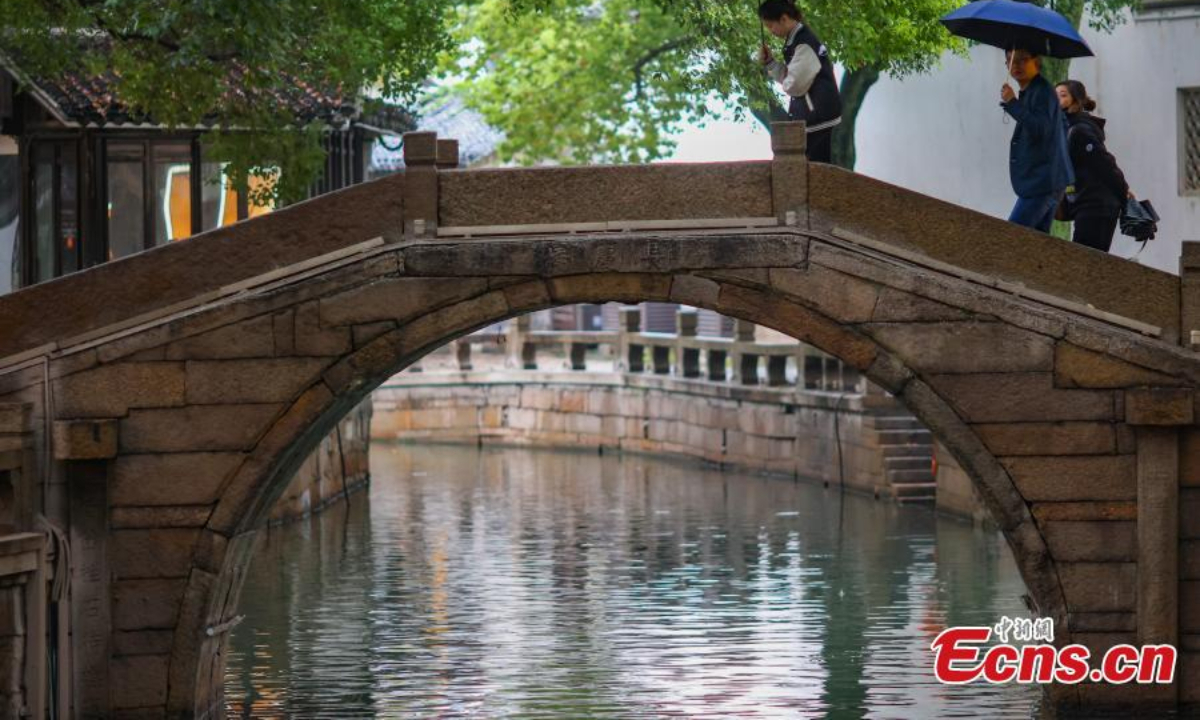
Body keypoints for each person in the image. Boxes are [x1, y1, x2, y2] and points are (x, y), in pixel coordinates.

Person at [757, 0, 842, 163]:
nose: (770, 31)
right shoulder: (796, 41)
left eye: (770, 25)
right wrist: (771, 63)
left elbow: (794, 85)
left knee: (819, 173)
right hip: (816, 122)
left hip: (820, 122)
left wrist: (781, 74)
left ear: (783, 18)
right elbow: (792, 77)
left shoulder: (804, 44)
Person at [1000, 48, 1073, 233]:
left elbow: (1040, 129)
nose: (1016, 65)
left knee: (1011, 237)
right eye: (1011, 60)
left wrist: (1012, 103)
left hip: (1043, 182)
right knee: (1036, 243)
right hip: (1046, 180)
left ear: (1036, 62)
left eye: (1022, 60)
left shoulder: (1042, 91)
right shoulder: (1032, 91)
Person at [1055, 79, 1132, 253]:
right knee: (1082, 260)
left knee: (1085, 262)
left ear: (1076, 101)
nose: (1056, 100)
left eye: (1062, 95)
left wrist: (1124, 191)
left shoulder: (1080, 130)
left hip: (1097, 205)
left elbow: (1105, 164)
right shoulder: (1067, 129)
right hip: (1085, 204)